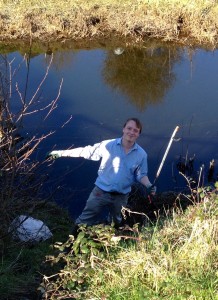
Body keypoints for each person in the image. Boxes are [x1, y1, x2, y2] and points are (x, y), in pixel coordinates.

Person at [47, 117, 156, 233]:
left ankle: (110, 245)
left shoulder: (141, 154)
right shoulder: (107, 145)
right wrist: (60, 153)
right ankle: (69, 247)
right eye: (129, 128)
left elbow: (141, 175)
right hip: (100, 192)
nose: (131, 132)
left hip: (121, 197)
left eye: (135, 130)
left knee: (117, 222)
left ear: (139, 134)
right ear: (123, 129)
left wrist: (149, 185)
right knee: (84, 220)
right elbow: (85, 151)